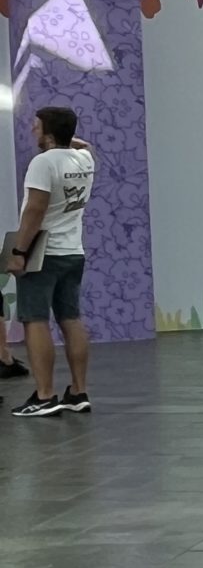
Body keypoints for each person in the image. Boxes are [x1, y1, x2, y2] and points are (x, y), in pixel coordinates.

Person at [7, 106, 95, 419]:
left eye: (37, 126)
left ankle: (45, 395)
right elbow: (85, 146)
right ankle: (78, 391)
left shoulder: (42, 163)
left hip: (43, 252)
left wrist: (19, 251)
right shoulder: (84, 159)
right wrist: (69, 141)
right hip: (73, 251)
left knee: (35, 319)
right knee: (71, 318)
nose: (33, 130)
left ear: (48, 132)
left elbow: (35, 209)